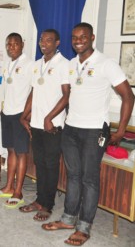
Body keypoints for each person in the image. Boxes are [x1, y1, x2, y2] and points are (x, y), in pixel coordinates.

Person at [42, 23, 134, 246]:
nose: (78, 40)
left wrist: (121, 129)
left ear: (91, 37)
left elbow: (128, 96)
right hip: (71, 128)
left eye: (83, 36)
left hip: (94, 131)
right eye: (74, 37)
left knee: (89, 179)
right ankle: (68, 219)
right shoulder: (71, 65)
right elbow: (68, 96)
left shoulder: (106, 64)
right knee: (73, 177)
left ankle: (84, 227)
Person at [19, 29, 69, 221]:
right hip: (36, 123)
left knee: (50, 164)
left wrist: (49, 118)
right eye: (42, 39)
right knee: (39, 163)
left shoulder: (64, 64)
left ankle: (47, 205)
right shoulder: (37, 65)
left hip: (53, 125)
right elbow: (34, 92)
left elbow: (66, 96)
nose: (44, 43)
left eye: (49, 40)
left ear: (57, 43)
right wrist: (24, 115)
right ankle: (40, 200)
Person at [0, 33, 33, 209]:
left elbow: (34, 90)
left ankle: (18, 191)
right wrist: (3, 108)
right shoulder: (8, 64)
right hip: (7, 113)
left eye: (15, 44)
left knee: (22, 153)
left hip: (20, 115)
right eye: (8, 44)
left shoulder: (30, 64)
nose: (11, 47)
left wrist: (26, 114)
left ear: (22, 44)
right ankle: (8, 187)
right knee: (11, 151)